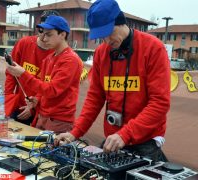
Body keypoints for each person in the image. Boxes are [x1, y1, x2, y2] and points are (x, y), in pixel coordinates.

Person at [55, 0, 170, 162]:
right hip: (113, 138)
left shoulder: (153, 48)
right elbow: (94, 98)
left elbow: (160, 104)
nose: (107, 41)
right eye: (101, 36)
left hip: (145, 140)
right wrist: (75, 132)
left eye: (108, 33)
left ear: (120, 21)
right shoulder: (102, 53)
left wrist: (125, 134)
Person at [6, 15, 83, 133]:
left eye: (49, 34)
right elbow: (44, 87)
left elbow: (52, 90)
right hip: (42, 117)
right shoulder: (49, 58)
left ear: (62, 35)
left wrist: (23, 74)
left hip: (59, 121)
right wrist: (36, 100)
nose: (44, 38)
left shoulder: (71, 60)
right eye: (43, 33)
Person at [5, 10, 59, 125]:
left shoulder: (56, 53)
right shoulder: (24, 43)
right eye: (41, 31)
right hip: (18, 105)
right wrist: (7, 100)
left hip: (40, 109)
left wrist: (33, 107)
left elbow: (49, 86)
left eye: (49, 33)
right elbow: (11, 74)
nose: (44, 37)